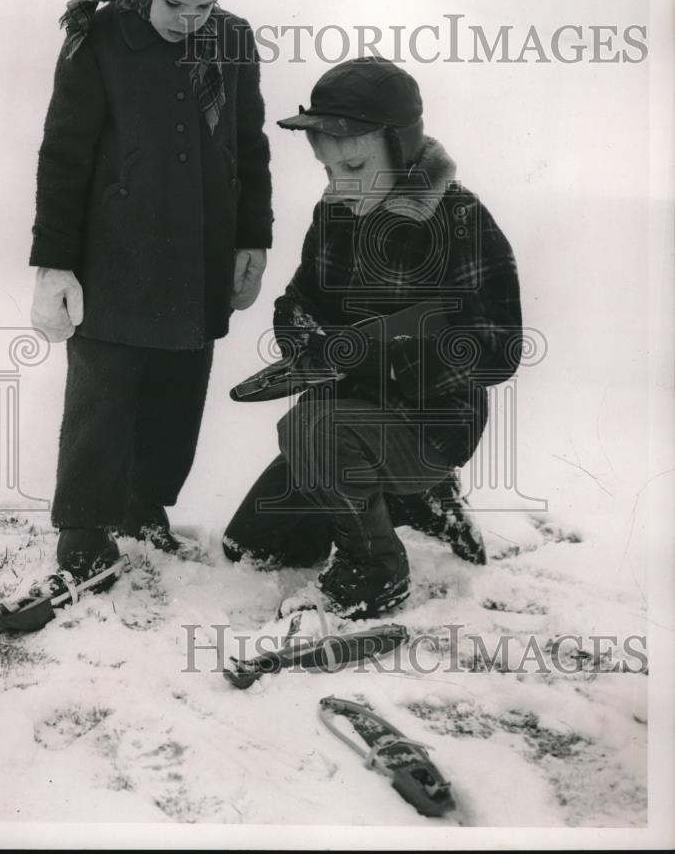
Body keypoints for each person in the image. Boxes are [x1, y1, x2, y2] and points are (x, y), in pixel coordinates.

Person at [28, 0, 273, 590]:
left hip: (197, 256)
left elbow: (248, 148)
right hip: (114, 259)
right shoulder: (98, 38)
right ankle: (82, 531)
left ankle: (143, 508)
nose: (188, 20)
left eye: (204, 5)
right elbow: (64, 156)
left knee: (176, 390)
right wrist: (54, 264)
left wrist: (250, 242)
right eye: (173, 4)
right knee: (102, 398)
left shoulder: (230, 39)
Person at [222, 57, 522, 619]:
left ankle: (376, 569)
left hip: (434, 421)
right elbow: (299, 299)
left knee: (309, 430)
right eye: (329, 169)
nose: (340, 185)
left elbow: (499, 350)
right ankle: (416, 501)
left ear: (402, 147)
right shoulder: (336, 213)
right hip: (353, 415)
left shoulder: (460, 221)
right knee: (253, 546)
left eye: (355, 165)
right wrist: (303, 335)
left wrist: (383, 353)